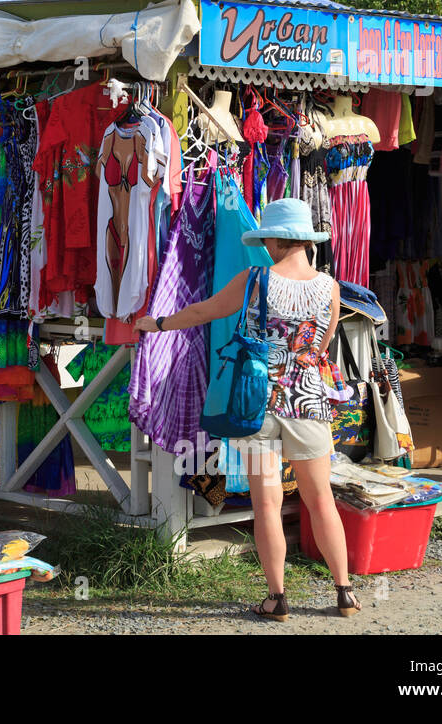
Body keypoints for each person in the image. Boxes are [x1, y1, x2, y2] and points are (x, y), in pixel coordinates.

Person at [136, 197, 361, 620]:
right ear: (304, 241)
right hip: (309, 403)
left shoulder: (256, 279)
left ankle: (276, 599)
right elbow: (322, 347)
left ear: (275, 239)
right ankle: (345, 592)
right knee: (321, 501)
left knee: (267, 506)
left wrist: (159, 323)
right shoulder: (330, 287)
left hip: (256, 407)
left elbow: (205, 311)